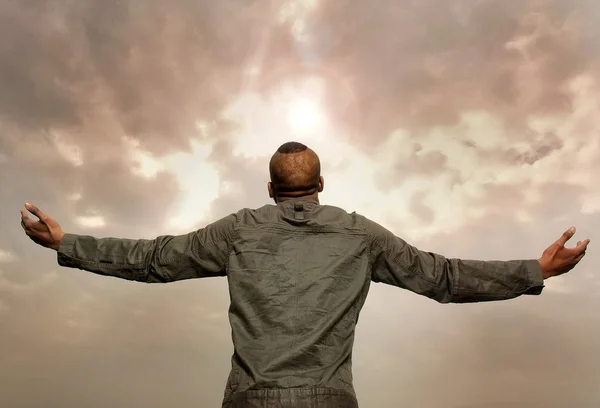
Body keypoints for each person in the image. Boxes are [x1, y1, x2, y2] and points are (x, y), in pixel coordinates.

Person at [20, 141, 589, 408]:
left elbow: (153, 259)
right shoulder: (360, 234)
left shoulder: (238, 231)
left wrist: (69, 243)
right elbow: (441, 277)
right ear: (322, 186)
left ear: (270, 189)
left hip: (250, 397)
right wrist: (534, 269)